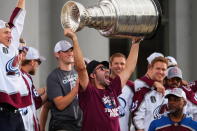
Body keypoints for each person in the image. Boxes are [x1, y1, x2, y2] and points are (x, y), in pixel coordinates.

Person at [64, 28, 143, 131]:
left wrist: (135, 42)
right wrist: (74, 39)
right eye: (101, 69)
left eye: (106, 68)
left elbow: (129, 69)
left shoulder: (112, 89)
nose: (106, 71)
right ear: (92, 75)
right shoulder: (89, 92)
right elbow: (81, 68)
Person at [0, 0, 32, 131]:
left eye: (10, 31)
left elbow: (18, 17)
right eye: (5, 32)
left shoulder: (12, 45)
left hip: (16, 112)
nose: (10, 35)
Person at [46, 40, 82, 131]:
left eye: (71, 50)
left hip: (80, 124)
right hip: (62, 125)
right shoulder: (53, 77)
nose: (70, 53)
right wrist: (76, 89)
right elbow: (60, 105)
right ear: (57, 54)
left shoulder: (78, 72)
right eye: (66, 51)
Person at [131, 56, 168, 131]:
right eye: (158, 68)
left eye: (163, 69)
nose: (161, 72)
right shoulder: (142, 90)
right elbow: (136, 118)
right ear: (150, 69)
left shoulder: (169, 93)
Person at [20, 47, 47, 131]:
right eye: (38, 62)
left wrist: (44, 90)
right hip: (26, 125)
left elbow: (33, 98)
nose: (38, 65)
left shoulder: (23, 76)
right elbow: (35, 102)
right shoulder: (23, 77)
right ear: (32, 62)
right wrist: (48, 91)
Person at [109, 53, 134, 131]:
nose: (119, 66)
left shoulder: (131, 86)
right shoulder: (103, 83)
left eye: (122, 64)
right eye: (116, 63)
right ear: (110, 65)